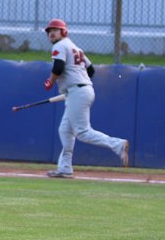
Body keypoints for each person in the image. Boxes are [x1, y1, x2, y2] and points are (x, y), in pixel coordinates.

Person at [42, 18, 129, 178]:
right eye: (49, 31)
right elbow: (91, 70)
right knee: (65, 130)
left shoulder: (60, 46)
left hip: (78, 92)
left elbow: (58, 68)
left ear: (63, 32)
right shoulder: (75, 47)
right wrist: (76, 83)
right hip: (81, 90)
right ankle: (65, 168)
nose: (51, 33)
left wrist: (51, 81)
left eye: (55, 30)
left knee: (82, 132)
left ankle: (118, 144)